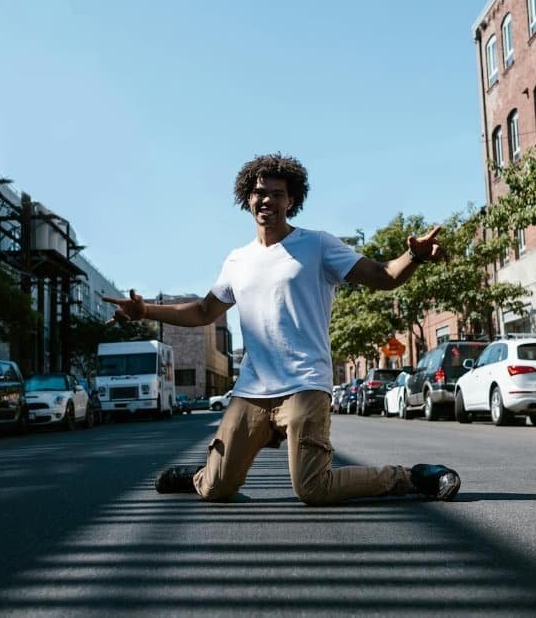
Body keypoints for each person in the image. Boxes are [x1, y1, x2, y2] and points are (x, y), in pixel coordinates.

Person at [104, 153, 460, 505]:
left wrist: (413, 257)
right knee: (216, 489)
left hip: (305, 384)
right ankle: (206, 473)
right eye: (260, 192)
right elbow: (202, 311)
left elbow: (383, 276)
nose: (267, 200)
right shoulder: (237, 260)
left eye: (277, 194)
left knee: (313, 488)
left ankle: (411, 477)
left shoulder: (317, 245)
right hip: (253, 389)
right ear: (248, 199)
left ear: (291, 200)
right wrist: (145, 311)